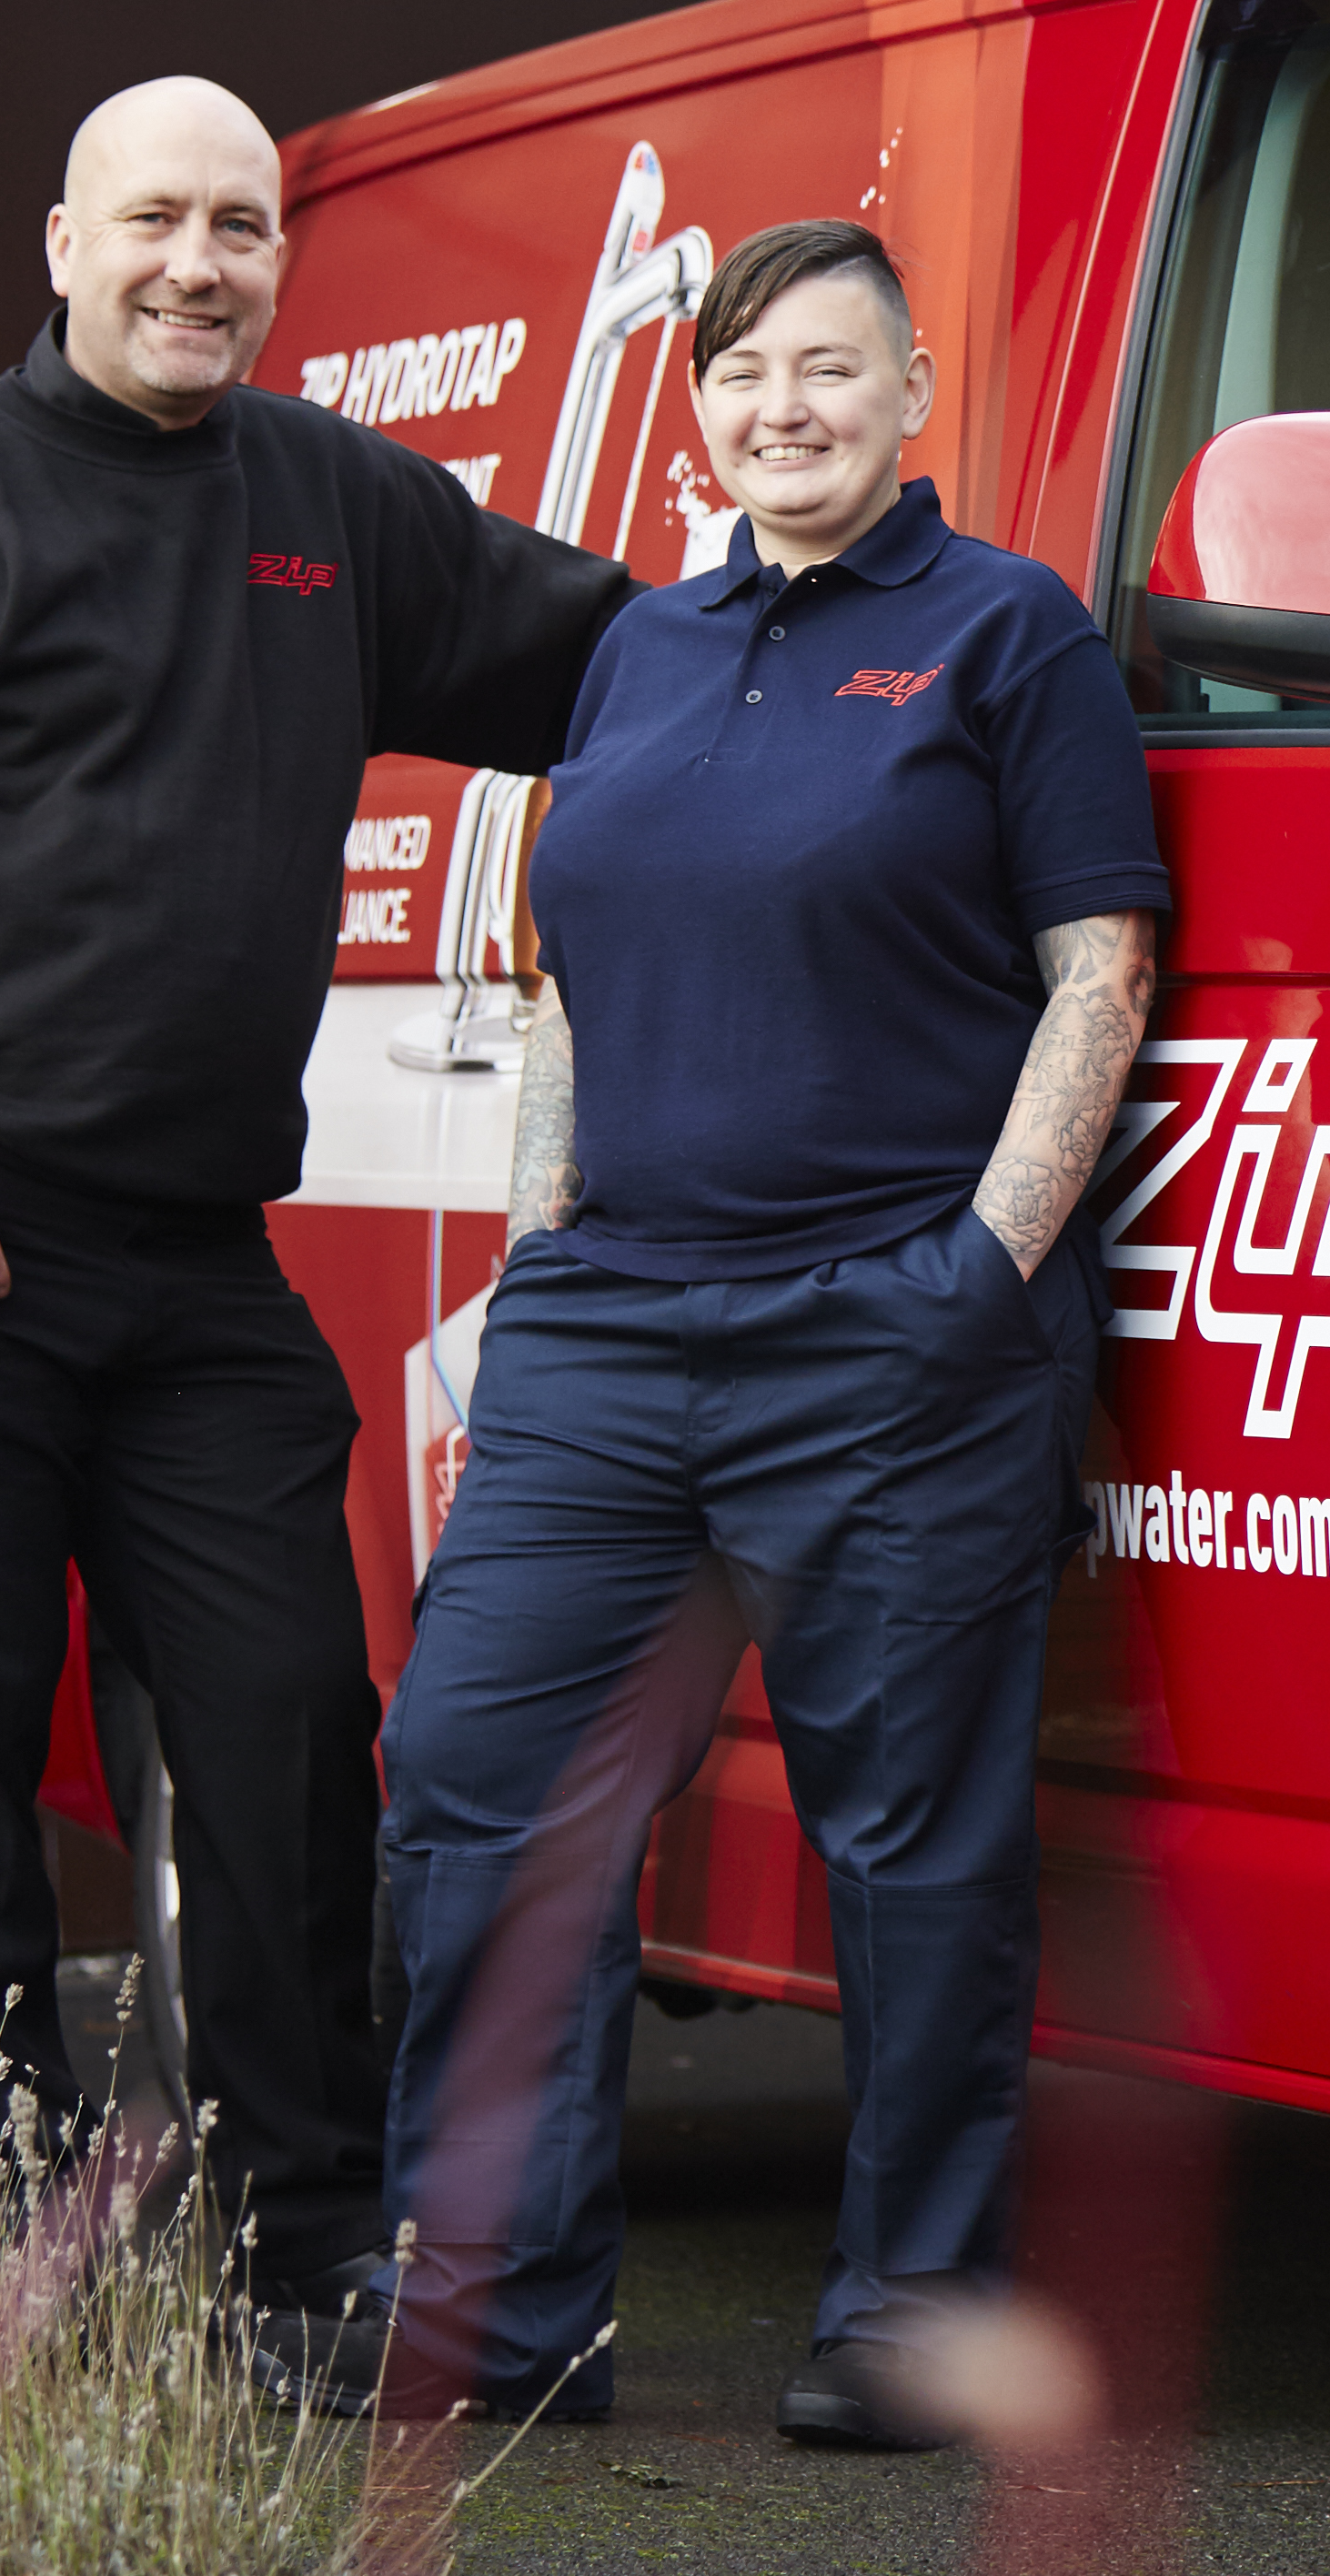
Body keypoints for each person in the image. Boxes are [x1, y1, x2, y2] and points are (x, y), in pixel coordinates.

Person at [0, 77, 636, 2322]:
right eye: (154, 222)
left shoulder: (329, 508)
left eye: (240, 225)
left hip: (200, 1267)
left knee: (296, 1741)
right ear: (60, 243)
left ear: (279, 261)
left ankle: (309, 2252)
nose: (197, 263)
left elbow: (617, 662)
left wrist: (891, 622)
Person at [327, 219, 1165, 2445]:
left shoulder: (1010, 636)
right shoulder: (642, 651)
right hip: (612, 1331)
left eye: (828, 368)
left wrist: (976, 1276)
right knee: (480, 1796)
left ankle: (907, 2316)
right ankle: (500, 2321)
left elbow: (1101, 973)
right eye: (741, 374)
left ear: (911, 403)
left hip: (887, 1331)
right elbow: (569, 988)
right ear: (699, 409)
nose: (779, 407)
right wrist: (534, 1264)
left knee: (912, 1847)